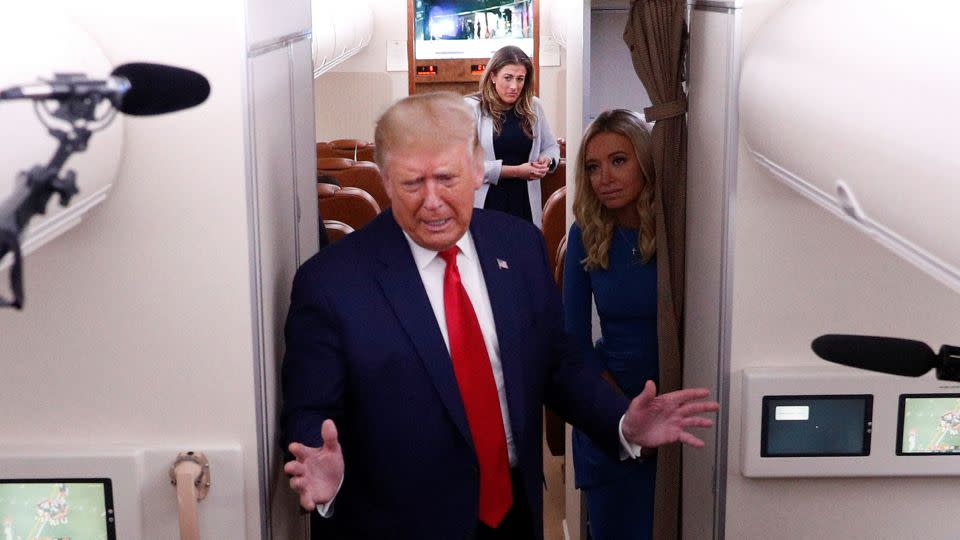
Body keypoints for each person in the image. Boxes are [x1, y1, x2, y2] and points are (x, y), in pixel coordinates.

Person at [280, 93, 718, 540]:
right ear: (386, 181)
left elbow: (557, 365)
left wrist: (622, 420)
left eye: (447, 178)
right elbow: (311, 410)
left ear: (476, 168)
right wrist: (321, 466)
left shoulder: (520, 246)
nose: (432, 201)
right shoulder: (331, 283)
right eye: (413, 183)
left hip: (514, 514)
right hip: (399, 523)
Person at [563, 109, 661, 540]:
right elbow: (572, 340)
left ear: (644, 161)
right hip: (611, 406)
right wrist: (620, 413)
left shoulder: (677, 230)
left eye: (619, 160)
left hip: (676, 400)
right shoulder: (586, 233)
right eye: (593, 166)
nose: (605, 177)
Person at [466, 45, 560, 228]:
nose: (514, 86)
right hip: (487, 202)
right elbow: (466, 166)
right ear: (493, 76)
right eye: (508, 78)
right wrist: (517, 171)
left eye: (520, 79)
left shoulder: (534, 106)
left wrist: (547, 160)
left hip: (525, 203)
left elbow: (551, 146)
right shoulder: (472, 108)